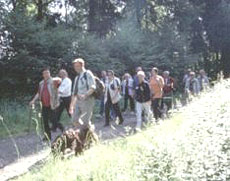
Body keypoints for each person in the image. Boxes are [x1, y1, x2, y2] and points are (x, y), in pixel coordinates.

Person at [29, 67, 62, 141]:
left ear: (49, 73)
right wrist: (33, 100)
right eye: (45, 73)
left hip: (52, 104)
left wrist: (57, 101)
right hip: (44, 104)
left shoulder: (54, 81)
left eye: (48, 73)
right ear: (43, 75)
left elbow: (60, 83)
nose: (46, 74)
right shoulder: (41, 83)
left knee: (53, 120)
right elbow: (38, 93)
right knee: (45, 121)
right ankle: (47, 137)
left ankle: (62, 129)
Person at [69, 58, 96, 128]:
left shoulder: (87, 74)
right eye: (75, 66)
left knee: (85, 121)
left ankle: (89, 134)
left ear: (82, 65)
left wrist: (85, 95)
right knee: (74, 120)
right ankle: (86, 130)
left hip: (87, 100)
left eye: (77, 66)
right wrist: (71, 105)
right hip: (78, 101)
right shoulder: (77, 77)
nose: (76, 68)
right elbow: (74, 93)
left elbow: (93, 87)